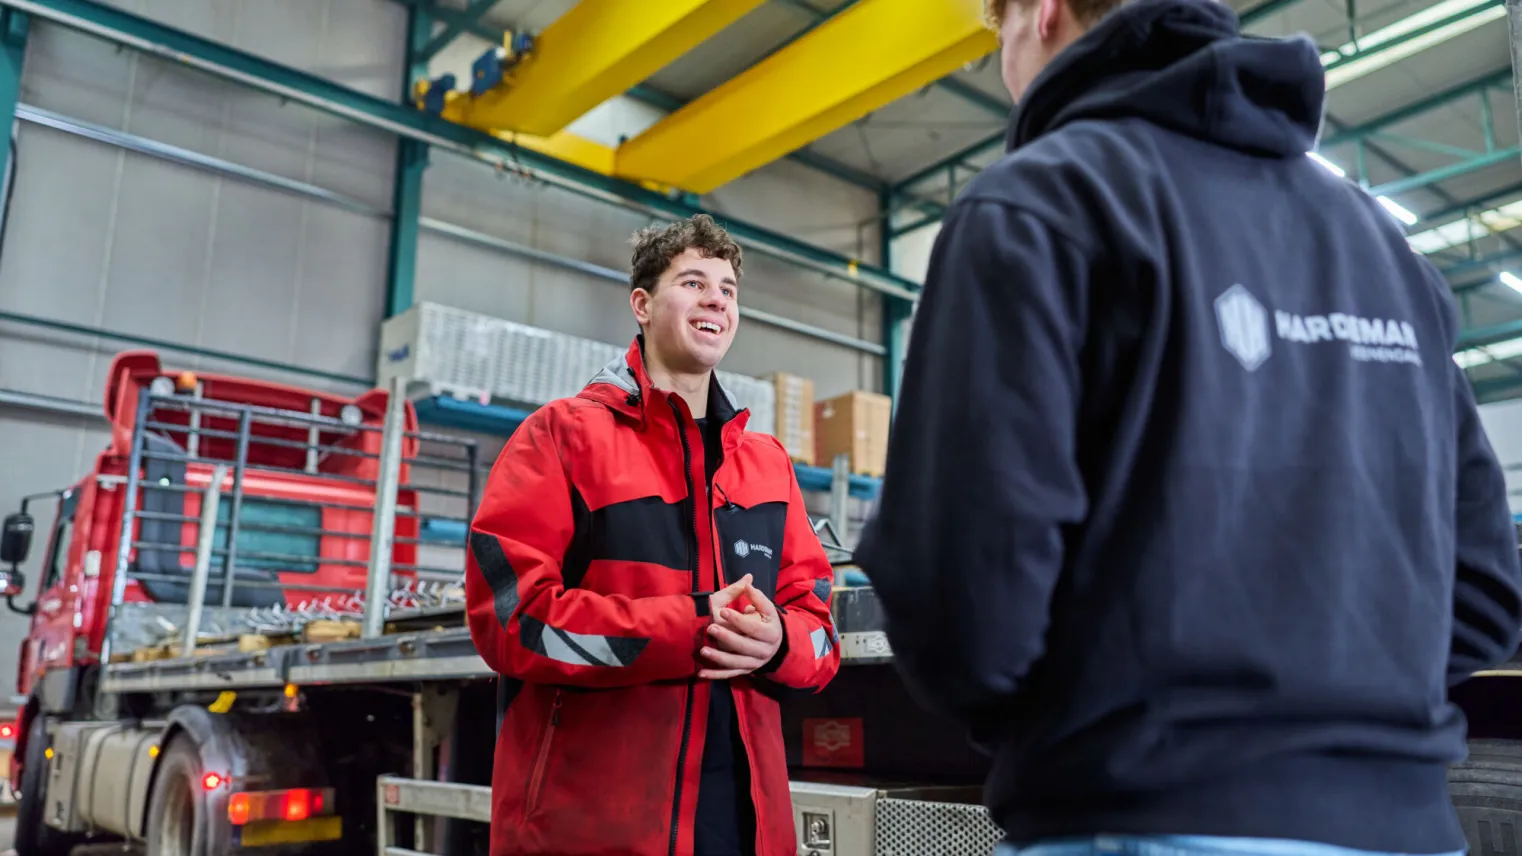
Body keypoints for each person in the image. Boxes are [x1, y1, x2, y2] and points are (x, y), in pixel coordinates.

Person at [854, 0, 1522, 854]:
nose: (1006, 62)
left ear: (1043, 12)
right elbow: (1486, 593)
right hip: (1406, 830)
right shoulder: (1388, 255)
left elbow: (965, 603)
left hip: (1137, 814)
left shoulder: (1041, 205)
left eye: (999, 35)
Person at [464, 213, 841, 856]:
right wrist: (690, 629)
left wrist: (781, 641)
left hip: (744, 828)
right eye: (692, 282)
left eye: (727, 289)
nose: (716, 299)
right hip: (594, 830)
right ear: (641, 304)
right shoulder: (563, 437)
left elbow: (820, 627)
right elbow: (511, 618)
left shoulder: (767, 464)